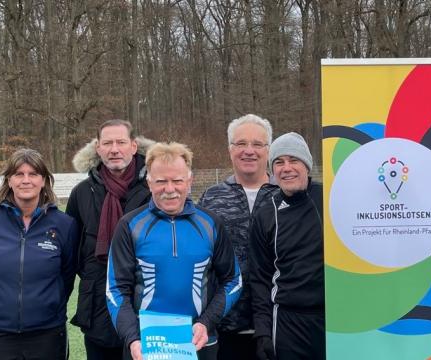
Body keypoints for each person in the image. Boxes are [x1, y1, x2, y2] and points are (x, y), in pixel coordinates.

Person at [107, 142, 241, 360]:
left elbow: (233, 280)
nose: (170, 189)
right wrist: (133, 338)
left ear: (189, 181)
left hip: (199, 343)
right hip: (147, 346)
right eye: (161, 181)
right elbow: (115, 289)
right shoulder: (130, 225)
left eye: (177, 181)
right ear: (149, 183)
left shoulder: (210, 223)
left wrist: (206, 323)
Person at [0, 148, 80, 359]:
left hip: (48, 333)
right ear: (9, 180)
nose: (25, 180)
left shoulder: (64, 225)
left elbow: (67, 276)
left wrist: (47, 305)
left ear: (44, 180)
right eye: (19, 174)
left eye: (33, 174)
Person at [67, 119, 154, 359]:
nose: (114, 149)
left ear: (134, 146)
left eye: (121, 142)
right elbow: (72, 251)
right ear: (98, 148)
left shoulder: (154, 189)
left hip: (147, 305)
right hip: (97, 305)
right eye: (107, 143)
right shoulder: (82, 192)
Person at [196, 114, 280, 359]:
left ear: (268, 149)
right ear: (230, 149)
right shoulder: (211, 198)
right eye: (241, 144)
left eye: (257, 144)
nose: (249, 151)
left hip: (277, 324)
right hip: (225, 326)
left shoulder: (285, 195)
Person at [248, 132, 325, 360]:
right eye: (279, 162)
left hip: (334, 319)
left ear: (307, 165)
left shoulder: (331, 200)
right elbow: (260, 278)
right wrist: (262, 331)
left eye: (294, 160)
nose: (286, 168)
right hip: (287, 321)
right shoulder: (265, 215)